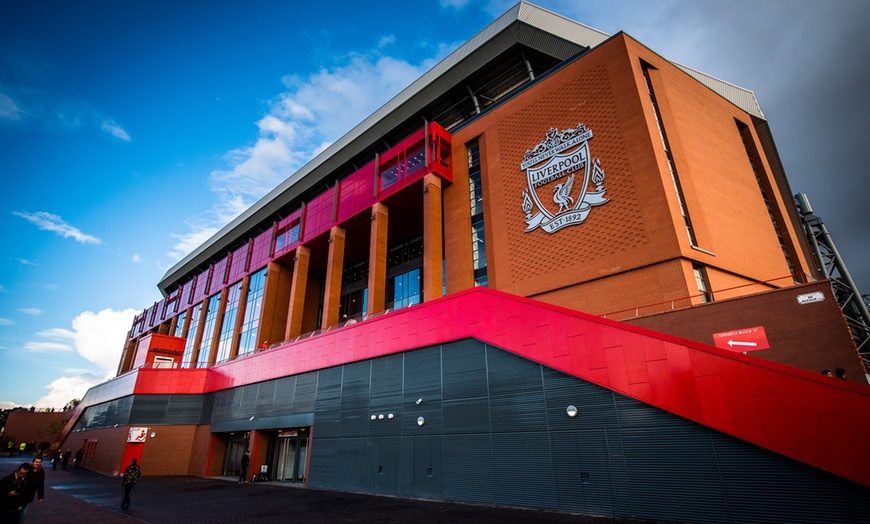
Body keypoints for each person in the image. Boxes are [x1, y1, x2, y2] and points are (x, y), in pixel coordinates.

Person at [20, 456, 44, 522]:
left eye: (39, 462)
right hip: (20, 493)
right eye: (36, 462)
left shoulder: (41, 472)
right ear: (33, 462)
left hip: (30, 495)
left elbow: (40, 484)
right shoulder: (27, 469)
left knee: (23, 513)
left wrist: (40, 496)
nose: (37, 463)